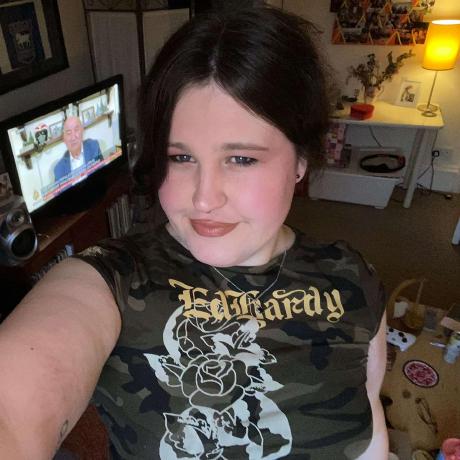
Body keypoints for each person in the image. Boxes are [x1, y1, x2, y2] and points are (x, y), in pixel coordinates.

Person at [0, 6, 388, 459]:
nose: (203, 199)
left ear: (301, 160)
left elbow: (370, 429)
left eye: (241, 158)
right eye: (181, 158)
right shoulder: (112, 279)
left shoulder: (352, 277)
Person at [53, 116, 102, 182]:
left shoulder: (94, 147)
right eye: (68, 133)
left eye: (76, 130)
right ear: (64, 139)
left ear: (82, 131)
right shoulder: (58, 169)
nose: (73, 137)